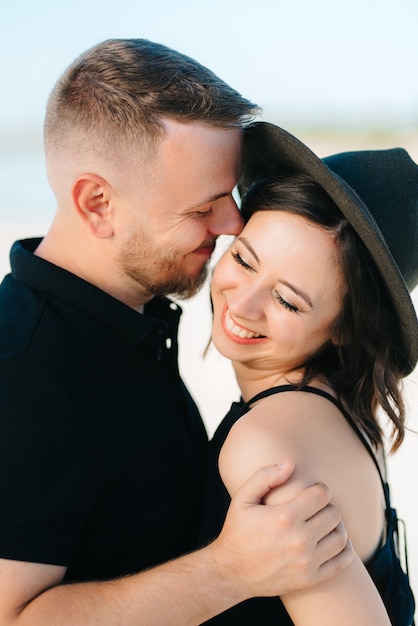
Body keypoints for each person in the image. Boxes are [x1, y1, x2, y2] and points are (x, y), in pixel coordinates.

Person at [0, 41, 352, 625]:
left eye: (232, 196)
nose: (232, 225)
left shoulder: (126, 316)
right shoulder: (24, 373)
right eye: (203, 207)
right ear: (99, 204)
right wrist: (229, 571)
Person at [201, 122, 417, 625]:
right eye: (244, 260)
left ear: (344, 328)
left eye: (286, 300)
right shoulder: (343, 407)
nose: (244, 303)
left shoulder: (267, 449)